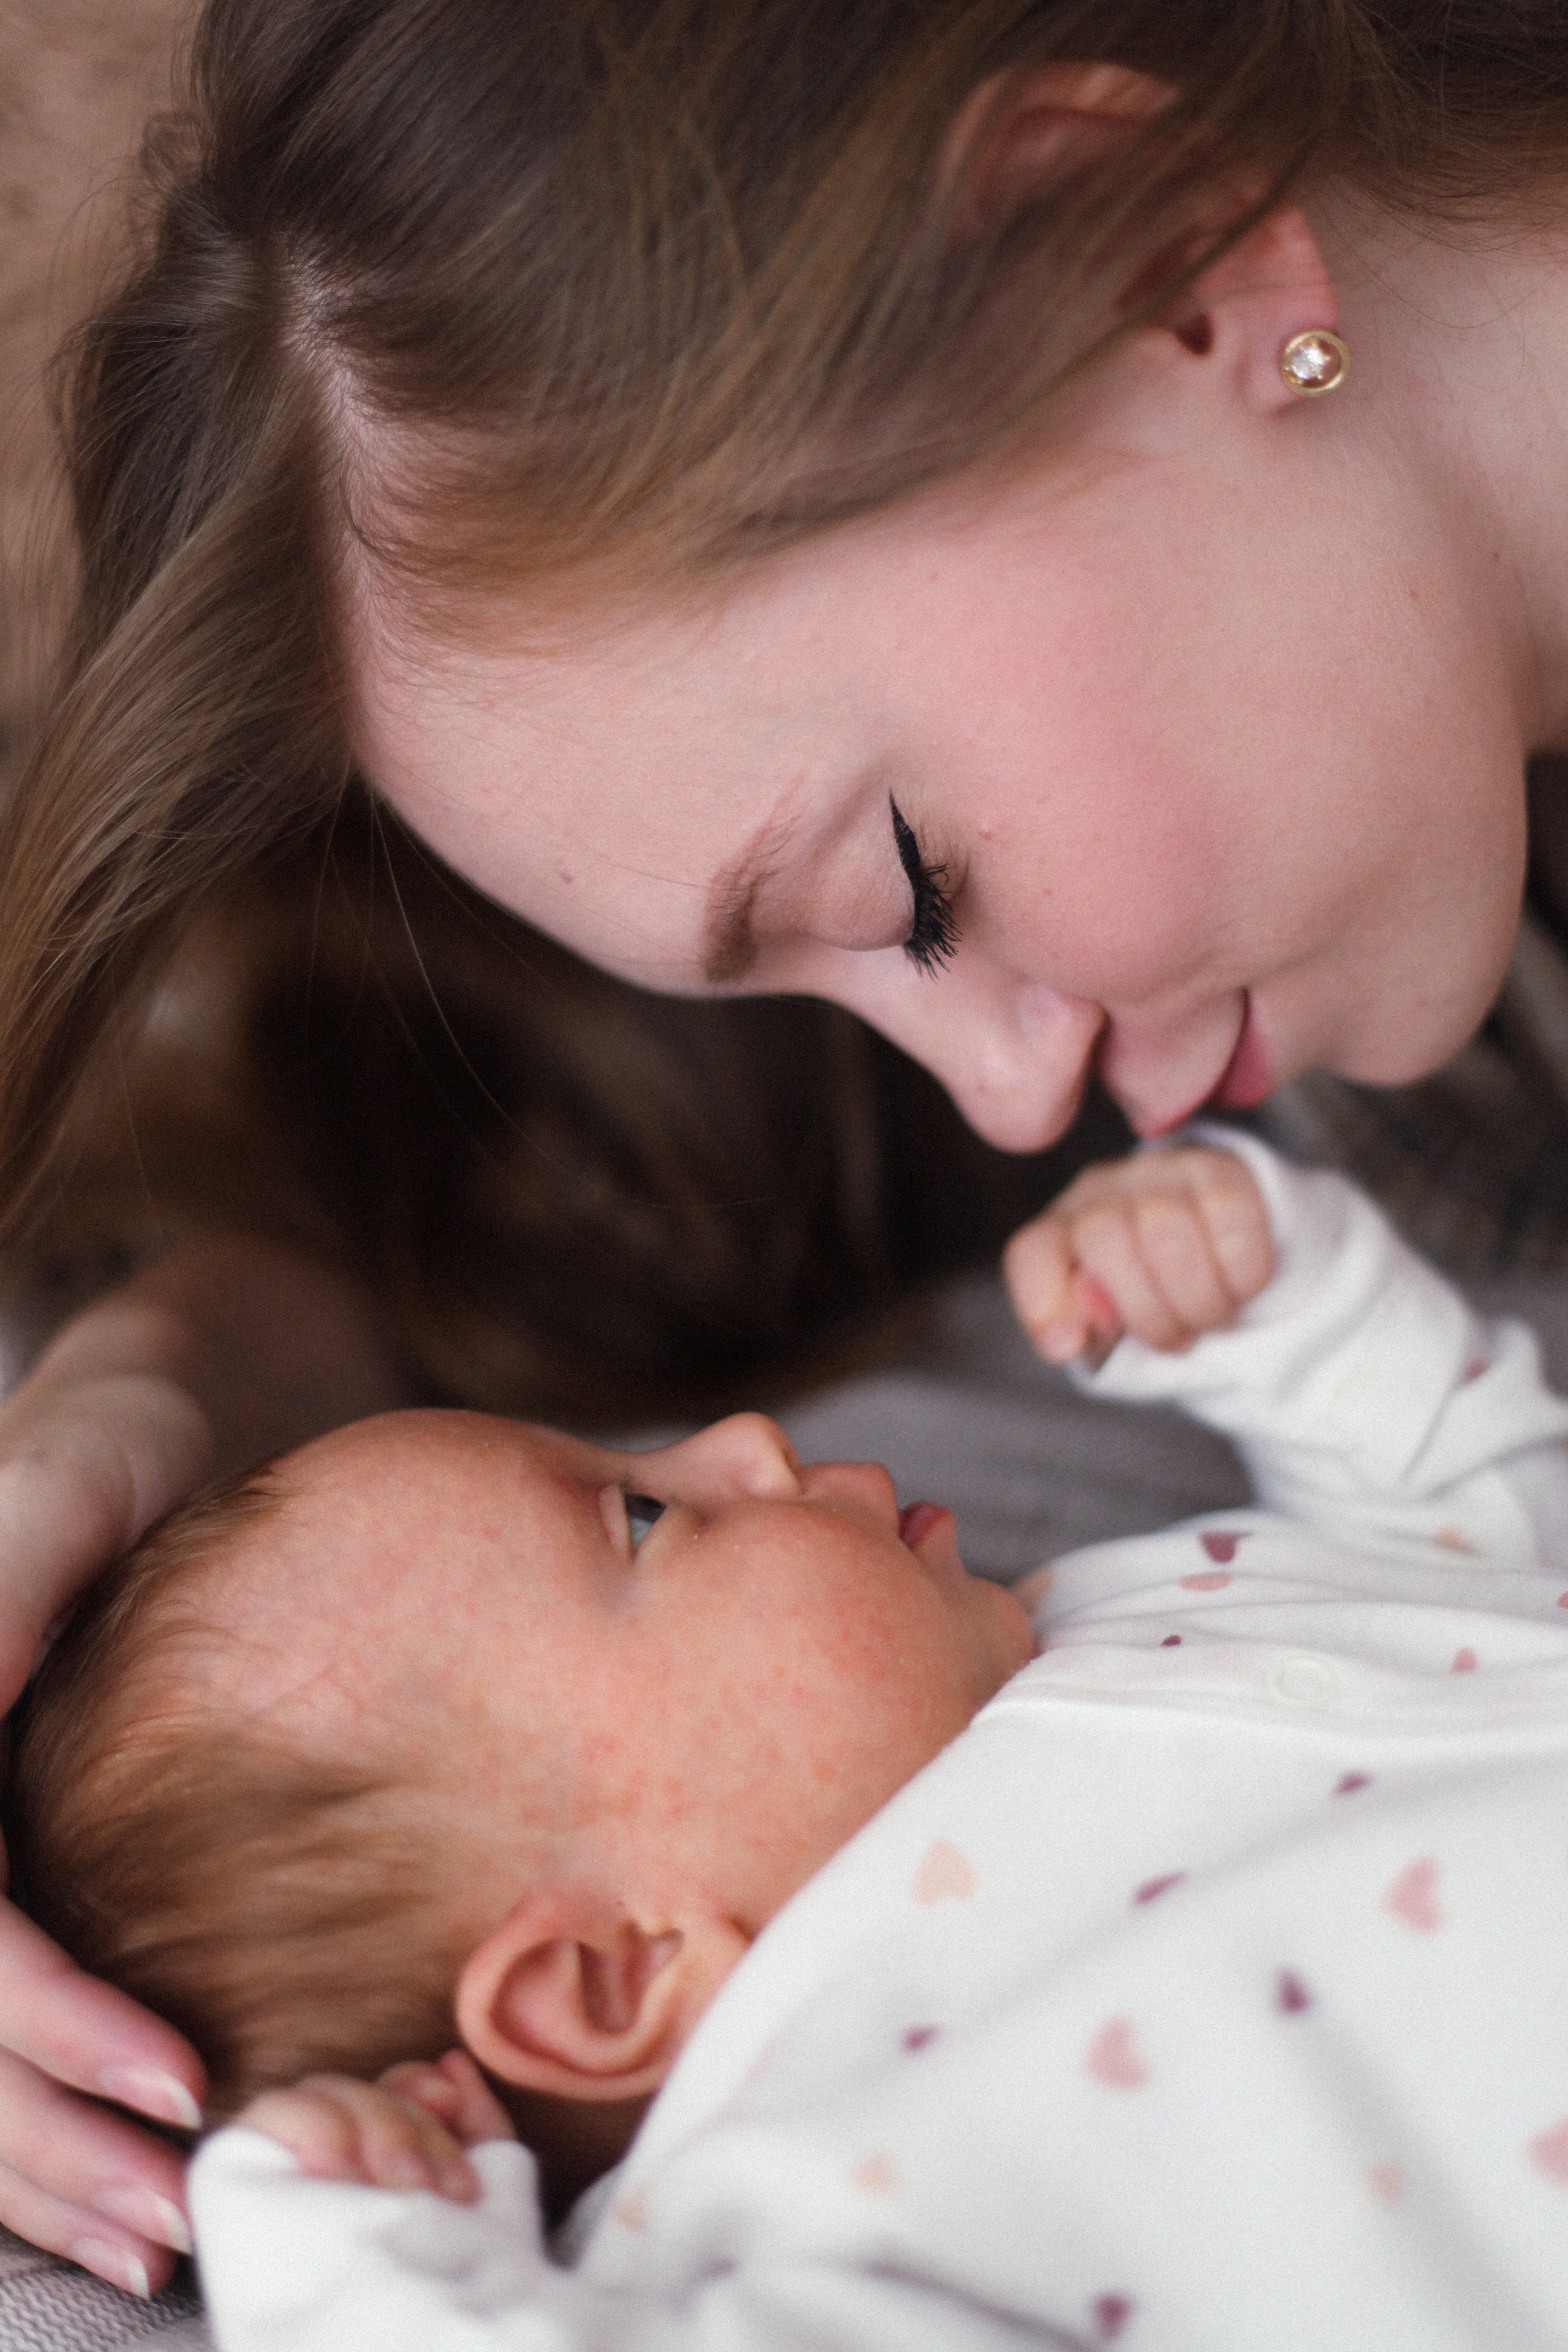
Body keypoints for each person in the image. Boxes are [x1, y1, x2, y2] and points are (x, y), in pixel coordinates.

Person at [4, 0, 1568, 2295]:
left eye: (915, 891)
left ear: (1146, 255)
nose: (1018, 1098)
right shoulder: (1317, 873)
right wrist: (145, 1408)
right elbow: (556, 1216)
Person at [13, 1129, 1568, 2350]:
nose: (747, 1442)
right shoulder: (806, 2194)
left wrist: (1276, 1314)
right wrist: (355, 2263)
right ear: (615, 1974)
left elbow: (1493, 1543)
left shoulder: (1096, 1608)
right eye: (644, 1516)